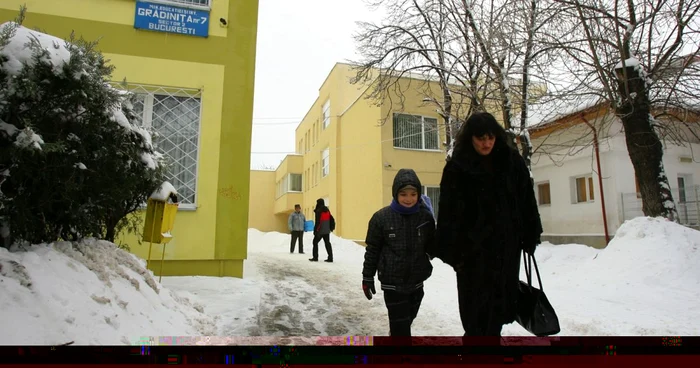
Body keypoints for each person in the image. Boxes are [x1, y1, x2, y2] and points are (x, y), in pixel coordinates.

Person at [433, 112, 543, 337]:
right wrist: (455, 255)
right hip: (471, 256)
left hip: (505, 251)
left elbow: (527, 202)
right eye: (481, 138)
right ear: (470, 138)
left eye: (491, 137)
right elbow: (447, 214)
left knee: (498, 314)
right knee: (475, 319)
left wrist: (530, 234)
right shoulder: (457, 168)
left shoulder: (512, 162)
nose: (486, 143)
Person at [362, 169, 435, 337]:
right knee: (401, 329)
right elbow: (372, 250)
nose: (408, 199)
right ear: (395, 194)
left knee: (407, 319)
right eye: (403, 194)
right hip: (392, 284)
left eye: (413, 194)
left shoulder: (425, 217)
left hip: (417, 283)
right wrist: (367, 277)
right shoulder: (381, 218)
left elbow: (432, 247)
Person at [309, 198, 335, 262]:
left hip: (320, 231)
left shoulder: (318, 211)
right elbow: (331, 219)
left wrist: (315, 230)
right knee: (327, 243)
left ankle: (315, 257)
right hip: (327, 230)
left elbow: (318, 222)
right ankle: (330, 257)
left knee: (315, 242)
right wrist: (331, 228)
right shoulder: (327, 210)